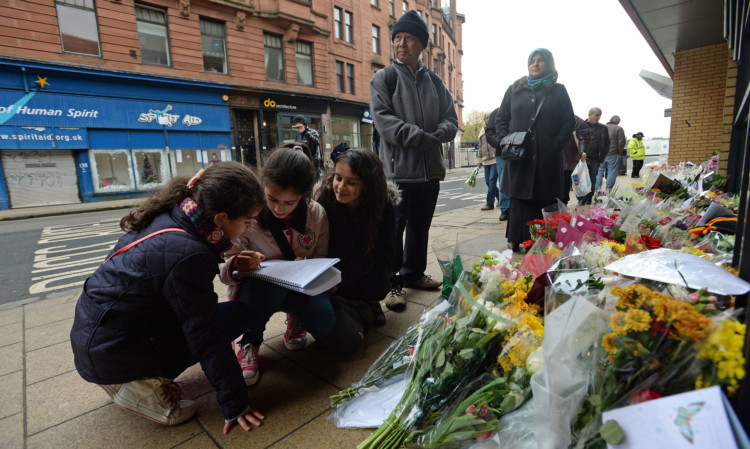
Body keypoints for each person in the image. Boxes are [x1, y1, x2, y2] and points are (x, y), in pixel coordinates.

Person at [70, 162, 266, 434]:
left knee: (237, 314)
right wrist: (235, 403)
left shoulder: (175, 214)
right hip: (113, 351)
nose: (249, 228)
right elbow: (206, 334)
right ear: (220, 218)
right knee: (216, 326)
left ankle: (124, 375)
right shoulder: (188, 253)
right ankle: (139, 385)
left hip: (101, 340)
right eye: (246, 221)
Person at [219, 147, 336, 386]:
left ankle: (296, 319)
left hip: (299, 288)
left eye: (289, 203)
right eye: (271, 199)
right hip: (258, 291)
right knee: (267, 287)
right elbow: (223, 271)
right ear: (263, 187)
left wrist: (309, 264)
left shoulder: (316, 214)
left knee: (325, 323)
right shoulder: (247, 213)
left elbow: (322, 257)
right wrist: (235, 264)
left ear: (304, 196)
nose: (278, 209)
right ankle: (249, 339)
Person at [369, 10, 458, 310]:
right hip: (397, 174)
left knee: (420, 227)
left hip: (429, 172)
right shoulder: (385, 77)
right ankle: (391, 284)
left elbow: (451, 119)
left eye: (408, 38)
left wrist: (439, 133)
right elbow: (385, 123)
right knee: (393, 232)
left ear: (422, 45)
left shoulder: (435, 82)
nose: (400, 43)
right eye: (397, 38)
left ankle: (414, 274)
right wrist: (421, 136)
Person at [495, 48, 574, 252]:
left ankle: (543, 240)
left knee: (543, 198)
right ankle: (516, 237)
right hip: (520, 158)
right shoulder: (514, 89)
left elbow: (568, 121)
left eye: (541, 60)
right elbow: (501, 118)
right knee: (519, 199)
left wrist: (555, 144)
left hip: (547, 159)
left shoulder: (558, 90)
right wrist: (505, 140)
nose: (536, 64)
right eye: (532, 60)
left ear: (549, 64)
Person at [316, 147, 399, 327]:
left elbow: (386, 256)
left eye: (352, 182)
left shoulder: (382, 207)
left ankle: (368, 303)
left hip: (364, 269)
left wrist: (348, 277)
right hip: (331, 268)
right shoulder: (324, 203)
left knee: (379, 283)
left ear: (368, 184)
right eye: (338, 178)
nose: (341, 187)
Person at [577, 107, 610, 205]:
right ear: (589, 114)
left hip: (595, 158)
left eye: (600, 115)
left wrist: (602, 156)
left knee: (592, 179)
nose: (598, 118)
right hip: (581, 159)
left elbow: (607, 143)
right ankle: (581, 199)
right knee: (580, 179)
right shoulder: (580, 126)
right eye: (597, 115)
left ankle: (588, 199)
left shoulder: (603, 128)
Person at [485, 107, 510, 221]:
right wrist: (499, 143)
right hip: (502, 153)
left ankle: (517, 207)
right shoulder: (497, 112)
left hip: (521, 151)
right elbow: (489, 132)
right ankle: (505, 209)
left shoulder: (520, 108)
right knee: (504, 181)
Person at [561, 115, 590, 205]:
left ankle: (563, 205)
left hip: (567, 159)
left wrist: (582, 152)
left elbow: (584, 136)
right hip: (565, 159)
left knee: (565, 184)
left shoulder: (575, 120)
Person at [477, 112, 499, 211]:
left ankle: (489, 203)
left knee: (491, 181)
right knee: (487, 182)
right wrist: (479, 159)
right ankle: (500, 197)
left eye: (489, 117)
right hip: (486, 160)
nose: (488, 119)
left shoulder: (495, 128)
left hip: (494, 159)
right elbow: (480, 147)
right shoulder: (482, 131)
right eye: (486, 118)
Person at [598, 115, 626, 191]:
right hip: (613, 153)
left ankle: (597, 189)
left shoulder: (601, 127)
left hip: (601, 154)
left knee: (599, 171)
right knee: (612, 171)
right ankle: (608, 189)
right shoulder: (618, 129)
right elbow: (621, 142)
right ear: (617, 121)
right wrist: (619, 152)